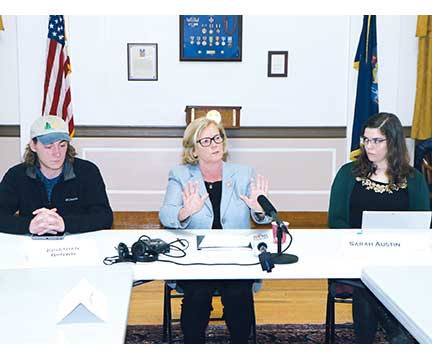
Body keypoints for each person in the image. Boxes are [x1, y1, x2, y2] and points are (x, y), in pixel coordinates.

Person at [159, 116, 271, 343]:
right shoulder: (180, 175)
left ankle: (239, 345)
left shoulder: (243, 173)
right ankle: (194, 346)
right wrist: (184, 212)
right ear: (193, 150)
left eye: (217, 138)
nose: (214, 145)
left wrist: (259, 209)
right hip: (196, 257)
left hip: (235, 255)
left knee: (238, 294)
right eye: (206, 141)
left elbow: (261, 217)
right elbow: (165, 215)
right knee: (198, 295)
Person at [328, 112, 430, 343]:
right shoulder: (348, 174)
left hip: (400, 257)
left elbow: (422, 224)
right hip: (356, 257)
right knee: (367, 277)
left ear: (392, 142)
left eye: (376, 141)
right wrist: (361, 244)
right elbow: (336, 221)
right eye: (366, 139)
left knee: (382, 275)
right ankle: (389, 335)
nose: (369, 146)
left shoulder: (413, 180)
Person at [0, 115, 113, 235]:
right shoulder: (17, 175)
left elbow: (104, 217)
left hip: (76, 245)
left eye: (62, 145)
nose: (57, 153)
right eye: (48, 147)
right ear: (33, 146)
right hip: (31, 245)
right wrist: (29, 225)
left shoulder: (87, 172)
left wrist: (65, 224)